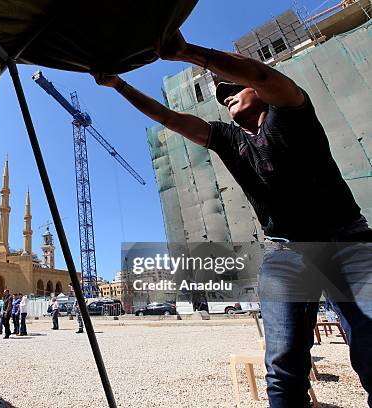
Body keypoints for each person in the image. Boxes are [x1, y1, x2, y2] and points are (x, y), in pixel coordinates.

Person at [92, 30, 372, 407]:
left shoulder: (292, 109)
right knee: (284, 365)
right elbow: (169, 118)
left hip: (347, 241)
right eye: (221, 97)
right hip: (288, 253)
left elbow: (261, 76)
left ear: (258, 91)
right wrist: (119, 85)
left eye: (233, 89)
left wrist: (189, 52)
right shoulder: (227, 138)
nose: (227, 98)